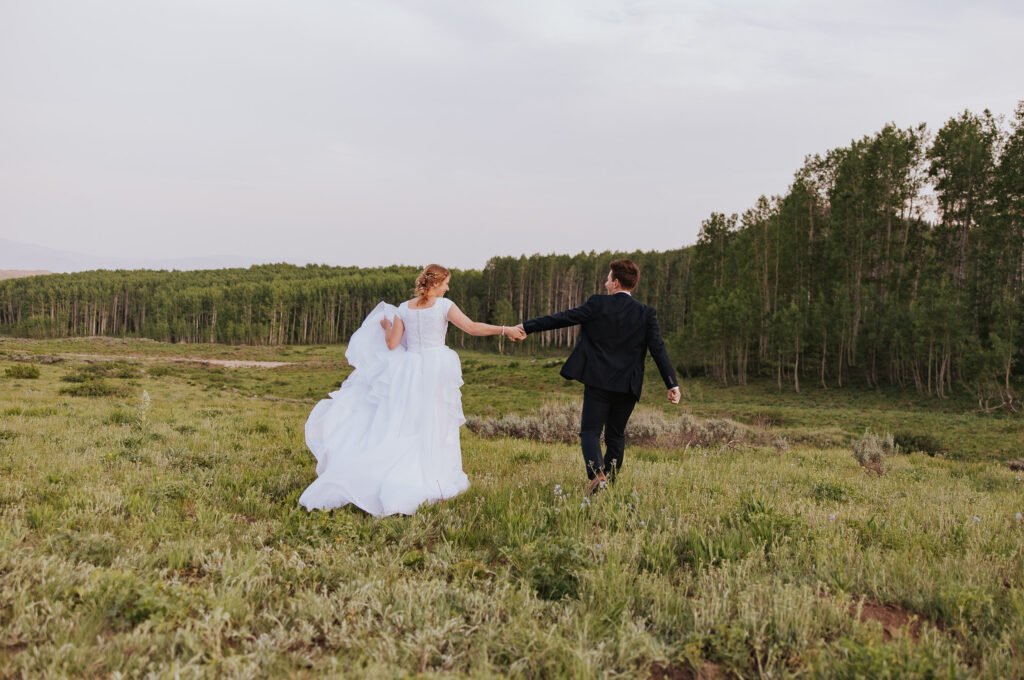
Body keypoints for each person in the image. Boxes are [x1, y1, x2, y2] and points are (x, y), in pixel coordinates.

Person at [299, 264, 526, 516]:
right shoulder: (444, 305)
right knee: (435, 423)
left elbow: (393, 343)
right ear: (436, 283)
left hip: (408, 372)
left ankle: (395, 472)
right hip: (436, 369)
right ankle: (433, 476)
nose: (448, 287)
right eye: (446, 283)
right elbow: (471, 328)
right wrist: (505, 330)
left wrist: (386, 327)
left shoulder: (403, 308)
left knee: (406, 424)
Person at [517, 259, 680, 494]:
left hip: (599, 381)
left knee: (590, 432)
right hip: (628, 385)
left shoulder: (598, 304)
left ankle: (598, 477)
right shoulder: (646, 313)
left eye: (607, 279)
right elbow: (658, 349)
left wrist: (526, 326)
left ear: (615, 283)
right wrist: (671, 383)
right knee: (616, 435)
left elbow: (563, 318)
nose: (604, 283)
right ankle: (607, 484)